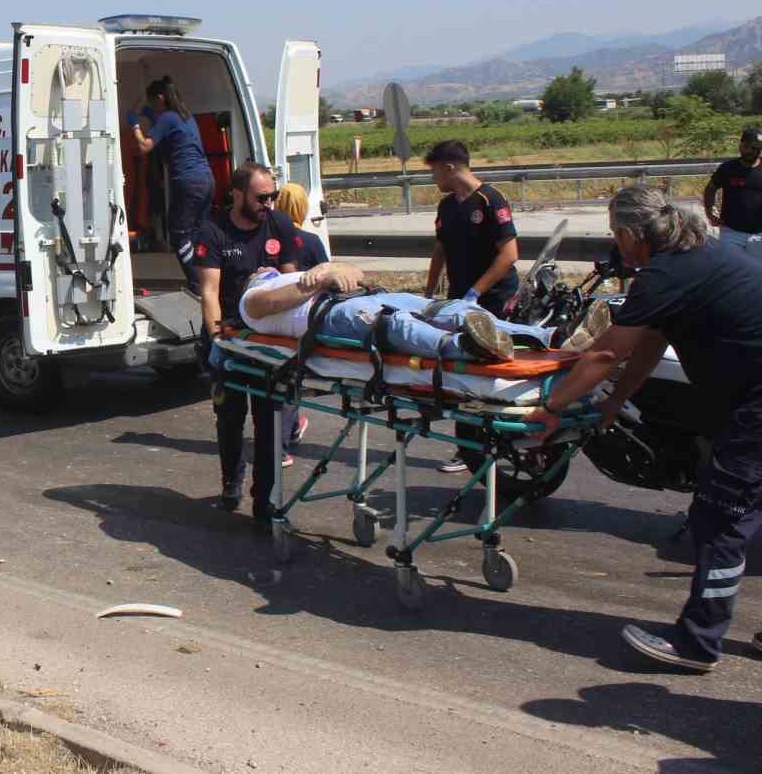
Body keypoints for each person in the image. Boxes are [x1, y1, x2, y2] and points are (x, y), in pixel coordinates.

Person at [522, 185, 762, 672]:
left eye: (615, 233)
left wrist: (552, 406)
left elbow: (607, 352)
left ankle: (698, 643)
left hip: (754, 407)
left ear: (633, 233)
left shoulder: (666, 273)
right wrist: (615, 402)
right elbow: (650, 341)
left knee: (722, 517)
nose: (615, 243)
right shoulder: (701, 254)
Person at [194, 164, 299, 522]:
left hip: (269, 343)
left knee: (269, 424)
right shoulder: (214, 231)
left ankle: (263, 499)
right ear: (237, 195)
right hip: (231, 338)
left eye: (273, 195)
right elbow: (209, 293)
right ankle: (231, 481)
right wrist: (218, 340)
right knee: (230, 418)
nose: (268, 203)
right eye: (261, 197)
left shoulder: (279, 225)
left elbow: (293, 284)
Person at [237, 262, 610, 362]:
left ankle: (553, 338)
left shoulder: (300, 274)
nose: (263, 268)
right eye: (260, 270)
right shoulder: (252, 300)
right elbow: (272, 304)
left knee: (446, 307)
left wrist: (335, 270)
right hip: (327, 315)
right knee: (394, 324)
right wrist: (321, 279)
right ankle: (467, 348)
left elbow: (354, 273)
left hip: (357, 295)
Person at [423, 139, 520, 472]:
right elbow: (440, 250)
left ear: (450, 167)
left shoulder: (491, 200)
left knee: (488, 372)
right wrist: (429, 293)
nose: (433, 178)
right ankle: (469, 446)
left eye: (435, 170)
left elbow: (509, 255)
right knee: (462, 371)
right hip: (460, 300)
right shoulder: (447, 206)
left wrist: (476, 293)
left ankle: (491, 442)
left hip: (492, 299)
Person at [129, 77, 216, 295]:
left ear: (160, 98)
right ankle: (209, 280)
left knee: (178, 235)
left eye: (152, 102)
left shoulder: (167, 118)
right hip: (206, 180)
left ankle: (198, 285)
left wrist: (134, 124)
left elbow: (144, 146)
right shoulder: (185, 116)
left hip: (189, 182)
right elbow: (166, 129)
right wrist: (148, 113)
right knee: (196, 233)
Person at [272, 183, 330, 464]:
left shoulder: (271, 237)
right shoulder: (311, 241)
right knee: (290, 380)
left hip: (276, 318)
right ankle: (283, 445)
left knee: (281, 378)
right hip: (305, 320)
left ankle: (291, 429)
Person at [703, 126, 762, 262]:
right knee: (730, 272)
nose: (754, 152)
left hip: (760, 235)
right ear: (741, 145)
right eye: (751, 147)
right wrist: (710, 212)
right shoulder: (727, 168)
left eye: (758, 149)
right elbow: (710, 189)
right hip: (731, 233)